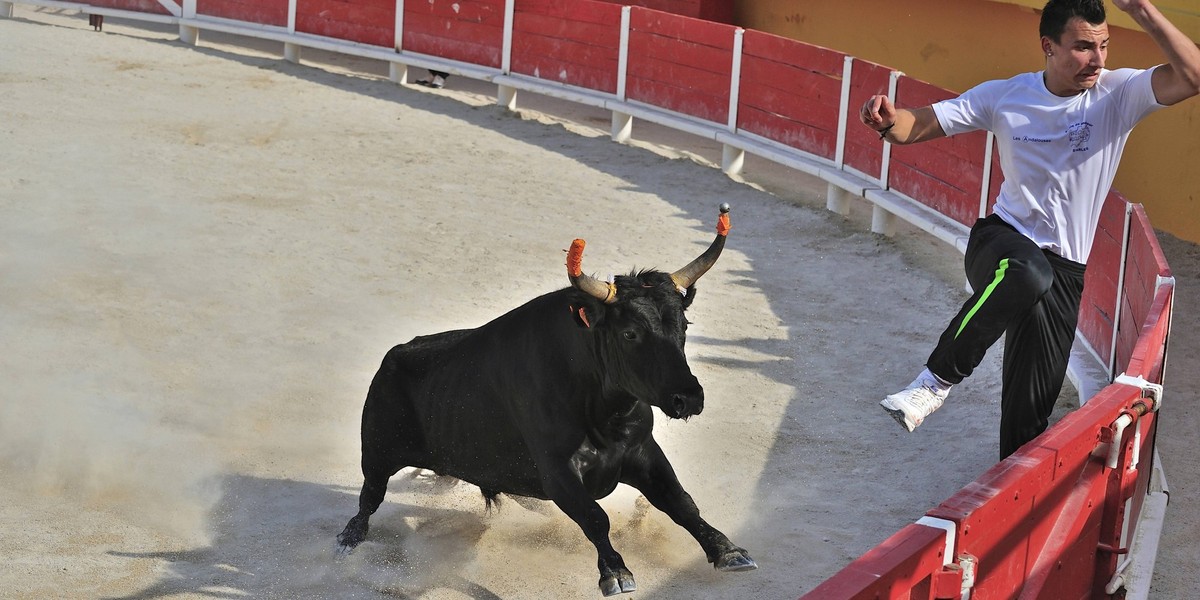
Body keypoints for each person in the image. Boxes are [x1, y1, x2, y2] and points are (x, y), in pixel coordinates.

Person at [859, 0, 1200, 459]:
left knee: (1029, 418)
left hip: (1065, 271)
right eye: (1082, 47)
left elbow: (1193, 76)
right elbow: (916, 126)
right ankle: (933, 383)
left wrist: (1141, 9)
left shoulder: (1118, 94)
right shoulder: (1007, 95)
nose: (1097, 59)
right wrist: (887, 120)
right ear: (1048, 46)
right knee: (1026, 271)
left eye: (1103, 46)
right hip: (1001, 242)